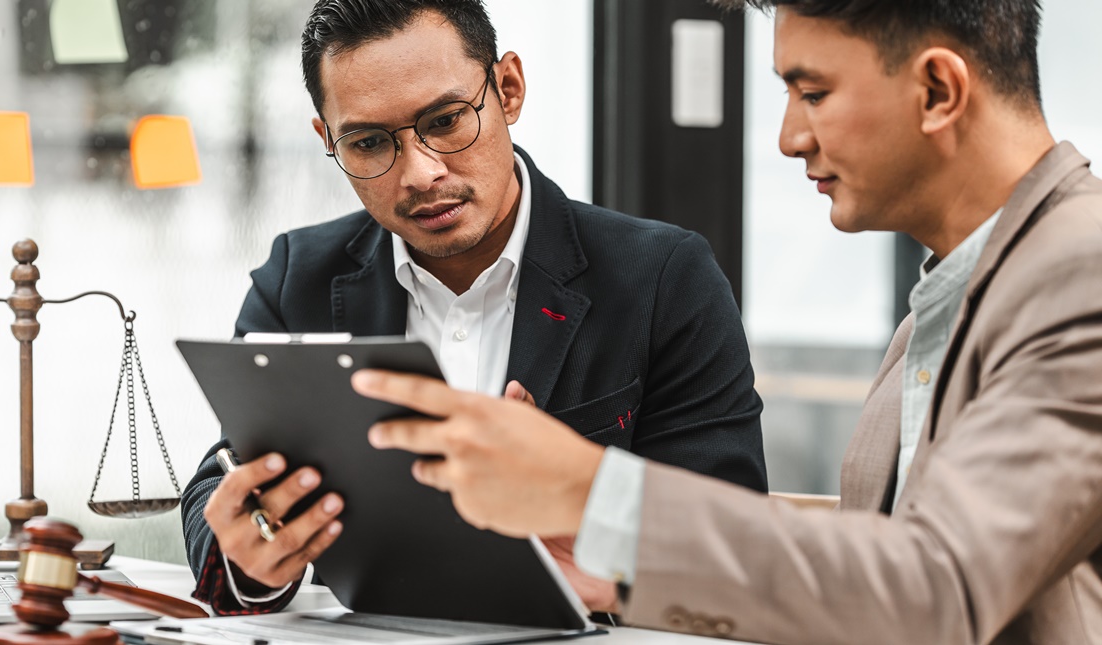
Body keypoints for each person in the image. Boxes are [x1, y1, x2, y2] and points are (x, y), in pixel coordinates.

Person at [353, 0, 1102, 643]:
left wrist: (592, 489)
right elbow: (873, 589)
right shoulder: (950, 300)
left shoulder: (1082, 272)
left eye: (813, 92)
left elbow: (936, 586)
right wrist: (620, 571)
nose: (789, 137)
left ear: (938, 90)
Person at [180, 0, 768, 616]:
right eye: (369, 142)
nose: (420, 174)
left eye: (445, 121)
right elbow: (222, 481)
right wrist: (251, 558)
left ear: (508, 89)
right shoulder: (298, 279)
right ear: (329, 141)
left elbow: (733, 547)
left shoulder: (662, 279)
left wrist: (584, 507)